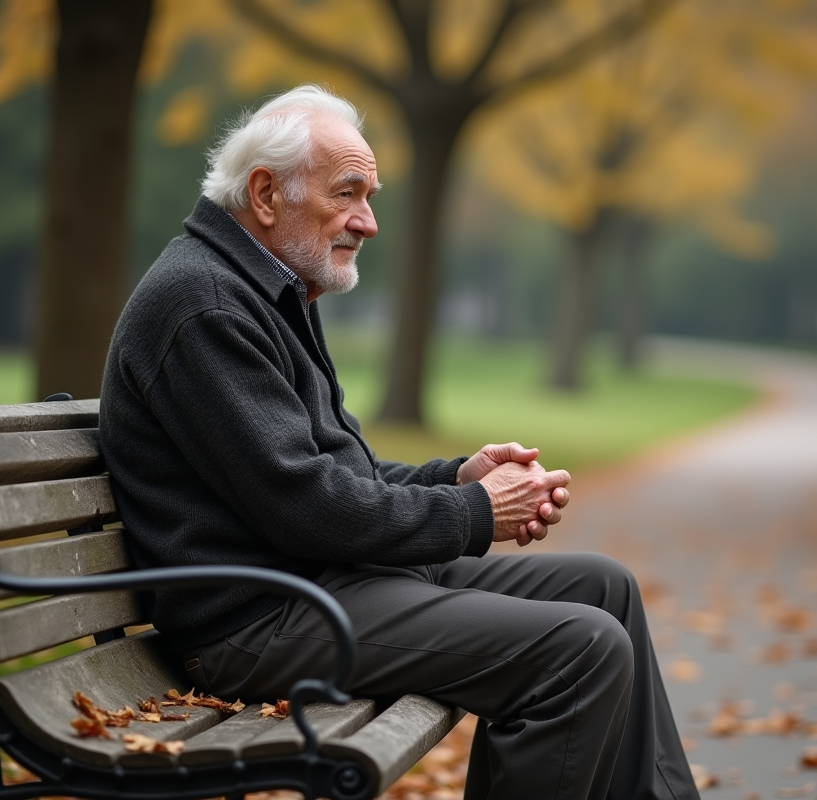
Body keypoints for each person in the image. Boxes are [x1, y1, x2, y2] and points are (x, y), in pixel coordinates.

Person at [100, 84, 698, 800]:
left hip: (325, 582)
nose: (369, 221)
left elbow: (337, 472)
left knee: (606, 589)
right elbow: (306, 505)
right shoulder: (204, 304)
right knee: (580, 649)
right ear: (265, 194)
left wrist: (454, 479)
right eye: (348, 193)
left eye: (371, 195)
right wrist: (477, 513)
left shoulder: (266, 288)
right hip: (264, 620)